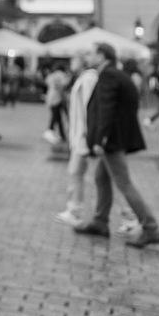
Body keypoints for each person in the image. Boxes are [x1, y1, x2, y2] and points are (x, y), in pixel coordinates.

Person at [74, 42, 159, 248]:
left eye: (91, 54)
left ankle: (151, 228)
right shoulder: (117, 74)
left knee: (124, 183)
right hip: (116, 137)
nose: (88, 57)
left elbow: (106, 109)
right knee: (101, 177)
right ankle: (100, 222)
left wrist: (101, 139)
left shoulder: (108, 76)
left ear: (102, 56)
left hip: (112, 140)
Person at [55, 55, 98, 226]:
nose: (71, 63)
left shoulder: (88, 79)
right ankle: (75, 209)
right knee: (78, 172)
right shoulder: (83, 78)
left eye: (74, 60)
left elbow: (88, 108)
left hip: (83, 135)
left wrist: (86, 132)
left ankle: (76, 210)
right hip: (80, 134)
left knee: (77, 172)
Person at [43, 62, 72, 145]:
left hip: (50, 96)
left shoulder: (52, 75)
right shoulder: (61, 74)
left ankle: (62, 135)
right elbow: (65, 84)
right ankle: (50, 130)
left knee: (57, 116)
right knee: (56, 116)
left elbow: (46, 82)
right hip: (58, 98)